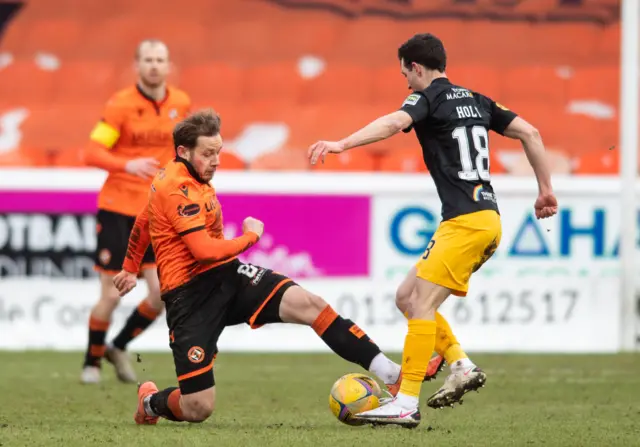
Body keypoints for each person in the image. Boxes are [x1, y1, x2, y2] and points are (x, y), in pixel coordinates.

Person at [308, 33, 558, 428]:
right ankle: (460, 364)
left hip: (465, 222)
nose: (406, 82)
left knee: (421, 304)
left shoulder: (428, 98)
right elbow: (531, 133)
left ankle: (405, 401)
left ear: (417, 68)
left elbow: (394, 122)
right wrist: (545, 190)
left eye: (405, 73)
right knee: (407, 296)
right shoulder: (478, 100)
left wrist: (342, 144)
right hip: (483, 220)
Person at [112, 109, 418, 425]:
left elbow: (144, 219)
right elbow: (203, 251)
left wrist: (129, 267)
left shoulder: (179, 176)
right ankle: (150, 403)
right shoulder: (178, 188)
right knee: (198, 408)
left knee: (310, 304)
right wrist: (250, 237)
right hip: (189, 298)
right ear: (182, 152)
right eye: (208, 154)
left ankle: (391, 374)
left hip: (227, 276)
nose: (216, 160)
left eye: (218, 151)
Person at [81, 39, 191, 384]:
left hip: (156, 212)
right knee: (112, 294)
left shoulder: (181, 103)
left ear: (169, 64)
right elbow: (92, 152)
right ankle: (92, 363)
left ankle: (118, 345)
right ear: (138, 64)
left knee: (161, 294)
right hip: (119, 208)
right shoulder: (121, 105)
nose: (154, 65)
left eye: (160, 59)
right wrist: (128, 164)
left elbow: (185, 150)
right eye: (148, 59)